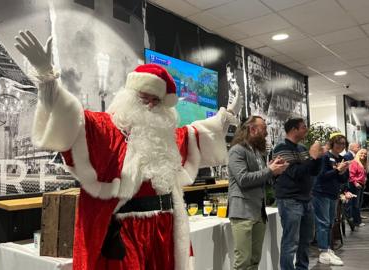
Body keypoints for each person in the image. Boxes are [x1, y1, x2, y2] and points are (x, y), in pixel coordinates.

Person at [14, 30, 242, 270]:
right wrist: (48, 79)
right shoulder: (105, 128)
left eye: (157, 101)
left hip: (165, 229)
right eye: (146, 97)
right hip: (123, 232)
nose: (151, 105)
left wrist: (226, 117)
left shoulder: (167, 136)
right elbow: (70, 119)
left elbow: (199, 133)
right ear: (130, 95)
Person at [227, 116, 289, 270]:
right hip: (242, 212)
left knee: (255, 260)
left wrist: (274, 170)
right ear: (252, 129)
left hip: (257, 212)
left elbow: (261, 178)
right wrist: (269, 170)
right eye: (263, 129)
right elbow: (243, 179)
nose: (266, 133)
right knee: (243, 261)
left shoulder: (256, 152)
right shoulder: (237, 150)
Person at [272, 118, 323, 270]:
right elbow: (295, 173)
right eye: (303, 127)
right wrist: (312, 157)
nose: (306, 130)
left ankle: (302, 267)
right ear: (294, 129)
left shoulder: (301, 148)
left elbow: (313, 171)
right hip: (290, 201)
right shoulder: (281, 148)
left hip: (306, 199)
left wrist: (317, 158)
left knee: (305, 240)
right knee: (291, 241)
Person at [312, 134, 349, 266]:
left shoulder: (341, 158)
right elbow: (321, 176)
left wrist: (342, 172)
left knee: (330, 223)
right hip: (321, 193)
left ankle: (328, 248)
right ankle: (323, 251)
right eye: (338, 143)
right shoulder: (326, 156)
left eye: (343, 144)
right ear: (332, 143)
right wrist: (337, 170)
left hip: (333, 194)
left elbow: (343, 180)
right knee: (323, 222)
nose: (341, 146)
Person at [348, 148, 369, 227]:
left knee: (358, 203)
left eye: (365, 154)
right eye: (362, 153)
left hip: (360, 185)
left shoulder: (363, 163)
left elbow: (363, 175)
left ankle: (356, 220)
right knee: (355, 204)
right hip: (355, 185)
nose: (363, 155)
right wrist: (355, 183)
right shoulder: (355, 162)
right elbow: (351, 175)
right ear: (358, 154)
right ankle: (357, 222)